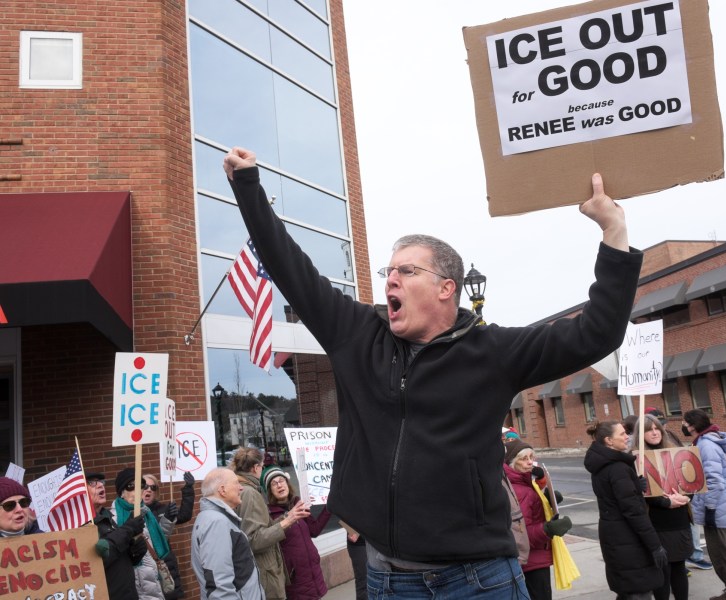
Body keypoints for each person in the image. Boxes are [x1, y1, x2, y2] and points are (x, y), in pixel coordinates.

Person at [225, 145, 642, 598]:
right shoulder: (358, 334)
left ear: (447, 288)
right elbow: (292, 270)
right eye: (389, 270)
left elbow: (597, 333)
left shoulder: (494, 350)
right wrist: (248, 187)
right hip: (387, 577)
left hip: (478, 578)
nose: (390, 279)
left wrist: (613, 230)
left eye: (407, 270)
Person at [584, 420, 667, 599]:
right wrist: (655, 546)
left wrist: (635, 485)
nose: (627, 437)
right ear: (609, 441)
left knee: (627, 590)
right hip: (627, 538)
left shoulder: (603, 464)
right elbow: (633, 511)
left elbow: (613, 496)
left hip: (614, 534)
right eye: (622, 434)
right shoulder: (618, 468)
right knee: (639, 590)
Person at [682, 409, 726, 600]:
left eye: (685, 423)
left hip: (716, 510)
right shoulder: (704, 442)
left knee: (722, 557)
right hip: (717, 509)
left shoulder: (706, 446)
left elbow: (714, 481)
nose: (683, 426)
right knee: (721, 555)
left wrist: (709, 509)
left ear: (692, 426)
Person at [632, 414, 693, 600]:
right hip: (656, 523)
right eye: (648, 429)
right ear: (639, 434)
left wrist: (685, 498)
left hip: (680, 520)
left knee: (679, 568)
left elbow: (690, 482)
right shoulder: (635, 459)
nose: (654, 432)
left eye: (657, 428)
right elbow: (639, 493)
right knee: (662, 572)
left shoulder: (675, 452)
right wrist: (666, 502)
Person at [504, 439, 571, 599]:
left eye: (531, 457)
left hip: (533, 559)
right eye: (524, 459)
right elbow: (521, 534)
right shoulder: (520, 491)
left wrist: (547, 499)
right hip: (532, 562)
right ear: (512, 463)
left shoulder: (522, 482)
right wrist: (547, 530)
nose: (530, 463)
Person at [231, 448, 302, 600]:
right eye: (262, 466)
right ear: (256, 468)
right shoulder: (249, 493)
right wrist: (287, 522)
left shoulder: (246, 489)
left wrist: (286, 517)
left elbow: (260, 528)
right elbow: (253, 539)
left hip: (264, 571)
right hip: (265, 573)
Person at [192, 467, 265, 600]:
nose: (241, 488)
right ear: (222, 490)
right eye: (236, 483)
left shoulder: (213, 519)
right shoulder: (216, 523)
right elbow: (219, 584)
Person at [265, 469, 331, 600]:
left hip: (313, 572)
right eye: (274, 483)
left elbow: (315, 530)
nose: (279, 485)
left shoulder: (298, 504)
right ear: (270, 491)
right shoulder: (269, 515)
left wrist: (329, 507)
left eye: (282, 480)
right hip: (295, 578)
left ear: (287, 484)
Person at [88, 472, 148, 600]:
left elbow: (119, 555)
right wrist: (128, 529)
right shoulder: (82, 525)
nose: (100, 485)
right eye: (92, 483)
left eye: (101, 482)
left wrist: (135, 549)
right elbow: (100, 556)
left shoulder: (107, 517)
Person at [112, 468, 169, 600]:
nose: (138, 490)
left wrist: (169, 521)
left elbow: (155, 543)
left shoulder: (146, 512)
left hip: (152, 577)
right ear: (121, 492)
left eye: (140, 485)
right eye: (131, 486)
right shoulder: (114, 518)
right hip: (136, 583)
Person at [143, 472, 196, 599]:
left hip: (166, 567)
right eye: (145, 486)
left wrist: (188, 489)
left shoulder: (162, 509)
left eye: (153, 487)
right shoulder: (132, 512)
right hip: (145, 571)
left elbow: (185, 515)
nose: (149, 490)